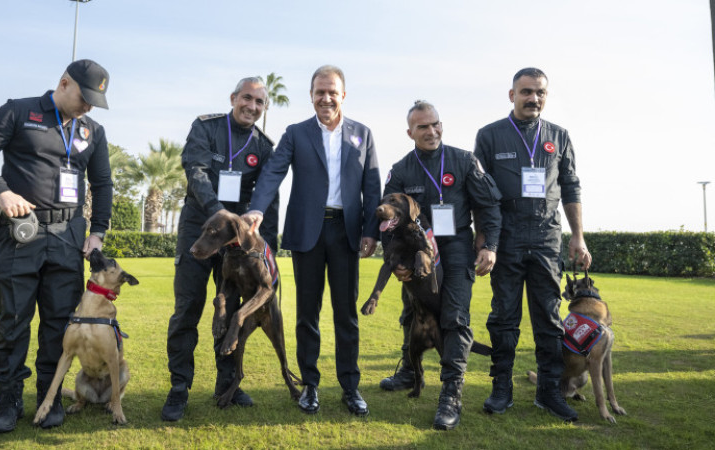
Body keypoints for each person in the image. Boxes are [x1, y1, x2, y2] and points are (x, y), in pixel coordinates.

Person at [0, 59, 113, 433]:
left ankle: (50, 393)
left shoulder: (92, 130)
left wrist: (98, 232)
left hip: (67, 238)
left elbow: (103, 184)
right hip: (19, 235)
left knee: (59, 323)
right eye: (85, 97)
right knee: (13, 320)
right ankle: (8, 398)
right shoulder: (18, 111)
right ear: (64, 83)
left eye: (96, 101)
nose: (89, 107)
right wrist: (1, 192)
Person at [244, 65, 381, 417]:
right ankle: (310, 386)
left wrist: (370, 230)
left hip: (346, 232)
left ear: (343, 95)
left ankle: (350, 387)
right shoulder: (296, 133)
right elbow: (274, 172)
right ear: (311, 95)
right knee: (308, 315)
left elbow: (371, 186)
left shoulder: (362, 134)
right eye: (320, 91)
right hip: (308, 232)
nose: (326, 98)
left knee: (346, 314)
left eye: (332, 91)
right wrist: (257, 209)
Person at [474, 67, 592, 422]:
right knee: (504, 318)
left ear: (546, 95)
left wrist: (578, 236)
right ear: (512, 95)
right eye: (526, 91)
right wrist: (484, 240)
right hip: (506, 239)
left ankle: (549, 392)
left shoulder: (559, 135)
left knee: (549, 320)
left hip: (545, 239)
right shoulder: (490, 136)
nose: (533, 98)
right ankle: (502, 389)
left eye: (539, 92)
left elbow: (571, 186)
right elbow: (480, 192)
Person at [161, 77, 279, 422]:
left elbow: (267, 196)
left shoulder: (263, 144)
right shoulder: (205, 127)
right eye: (247, 98)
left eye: (260, 103)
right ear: (233, 98)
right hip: (200, 230)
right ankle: (179, 388)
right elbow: (195, 171)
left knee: (229, 311)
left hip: (237, 243)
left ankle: (227, 384)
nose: (252, 107)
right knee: (188, 308)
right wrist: (219, 213)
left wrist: (268, 243)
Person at [382, 101, 501, 430]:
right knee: (412, 312)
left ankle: (451, 394)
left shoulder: (463, 160)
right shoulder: (402, 169)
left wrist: (489, 245)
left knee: (455, 316)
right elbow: (388, 218)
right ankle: (408, 371)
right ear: (410, 133)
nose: (431, 131)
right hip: (418, 249)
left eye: (435, 124)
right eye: (423, 127)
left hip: (457, 245)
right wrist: (396, 261)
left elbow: (488, 205)